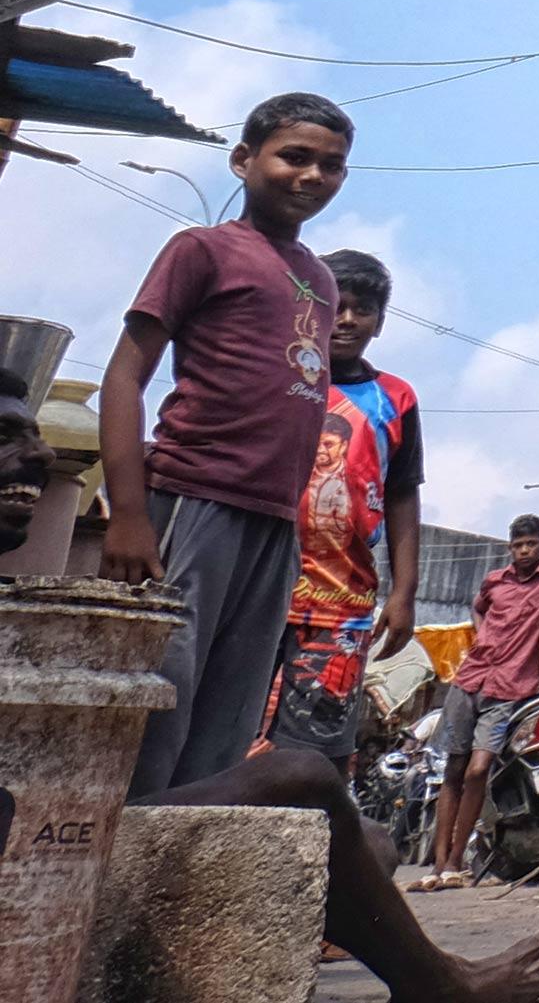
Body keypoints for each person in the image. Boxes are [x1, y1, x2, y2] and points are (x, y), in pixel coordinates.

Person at [0, 375, 539, 1002]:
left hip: (62, 834)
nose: (42, 456)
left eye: (34, 436)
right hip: (39, 853)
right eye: (8, 437)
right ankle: (437, 983)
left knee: (367, 845)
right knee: (299, 781)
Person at [101, 91, 353, 796]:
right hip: (193, 497)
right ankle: (113, 858)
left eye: (332, 165)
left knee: (231, 714)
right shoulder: (202, 249)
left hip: (275, 520)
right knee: (160, 696)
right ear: (245, 159)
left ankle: (174, 871)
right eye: (294, 156)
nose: (312, 176)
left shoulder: (322, 278)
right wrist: (127, 510)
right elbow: (125, 374)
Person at [267, 247, 425, 762]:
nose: (348, 320)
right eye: (337, 306)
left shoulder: (394, 398)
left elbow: (402, 494)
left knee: (315, 752)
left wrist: (404, 592)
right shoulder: (276, 377)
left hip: (342, 603)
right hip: (258, 591)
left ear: (380, 322)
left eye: (364, 309)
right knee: (231, 735)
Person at [419, 515, 539, 890]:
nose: (525, 552)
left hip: (511, 685)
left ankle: (457, 859)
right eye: (519, 546)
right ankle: (440, 866)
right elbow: (478, 607)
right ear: (510, 548)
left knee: (477, 769)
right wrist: (483, 633)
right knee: (452, 770)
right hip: (470, 679)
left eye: (532, 545)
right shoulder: (494, 581)